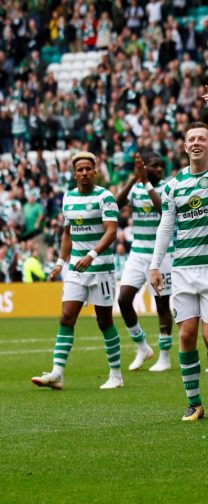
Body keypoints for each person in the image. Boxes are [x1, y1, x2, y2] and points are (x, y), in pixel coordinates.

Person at [149, 86, 208, 421]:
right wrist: (155, 265)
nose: (196, 143)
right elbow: (165, 227)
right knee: (186, 335)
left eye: (202, 138)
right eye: (191, 139)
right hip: (184, 270)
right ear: (185, 146)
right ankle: (194, 402)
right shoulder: (174, 186)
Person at [31, 152, 123, 390]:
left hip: (100, 268)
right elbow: (67, 233)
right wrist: (60, 263)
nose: (84, 173)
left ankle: (116, 375)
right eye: (79, 170)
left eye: (87, 169)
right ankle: (57, 374)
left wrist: (91, 255)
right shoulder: (68, 198)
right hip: (75, 269)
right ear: (74, 174)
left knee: (104, 321)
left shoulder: (105, 196)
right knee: (66, 317)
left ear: (95, 171)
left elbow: (111, 231)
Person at [116, 152, 174, 372]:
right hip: (138, 253)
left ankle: (165, 357)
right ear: (145, 168)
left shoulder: (167, 187)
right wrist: (134, 179)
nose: (159, 169)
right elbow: (116, 205)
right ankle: (142, 347)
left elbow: (162, 210)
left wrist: (147, 182)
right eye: (154, 166)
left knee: (161, 304)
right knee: (123, 299)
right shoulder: (136, 189)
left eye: (161, 166)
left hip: (162, 255)